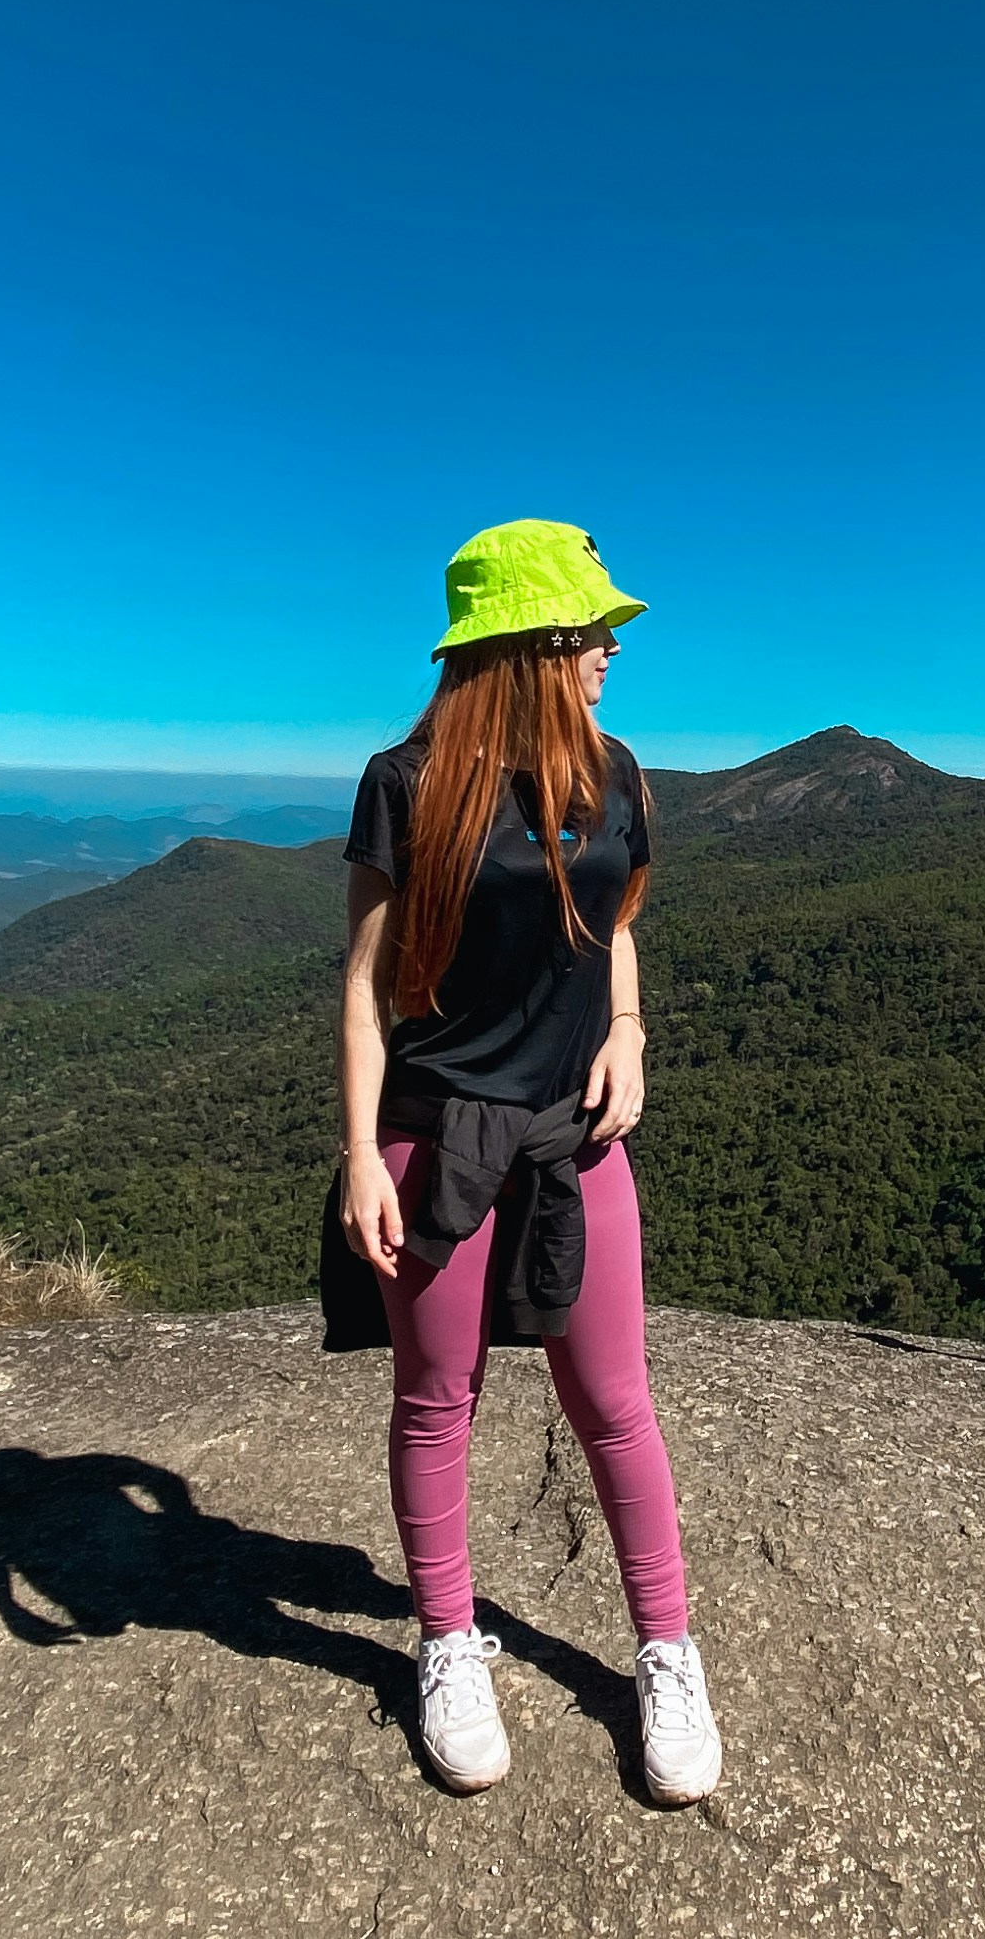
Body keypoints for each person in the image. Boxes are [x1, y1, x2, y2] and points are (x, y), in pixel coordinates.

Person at [328, 518, 722, 1804]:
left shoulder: (612, 773)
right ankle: (448, 1641)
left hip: (571, 1132)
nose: (609, 649)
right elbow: (364, 985)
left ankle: (665, 1652)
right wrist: (360, 1159)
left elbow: (605, 921)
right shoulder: (406, 781)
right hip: (436, 1135)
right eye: (586, 632)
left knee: (614, 1401)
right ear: (520, 648)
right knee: (437, 1400)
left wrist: (628, 1030)